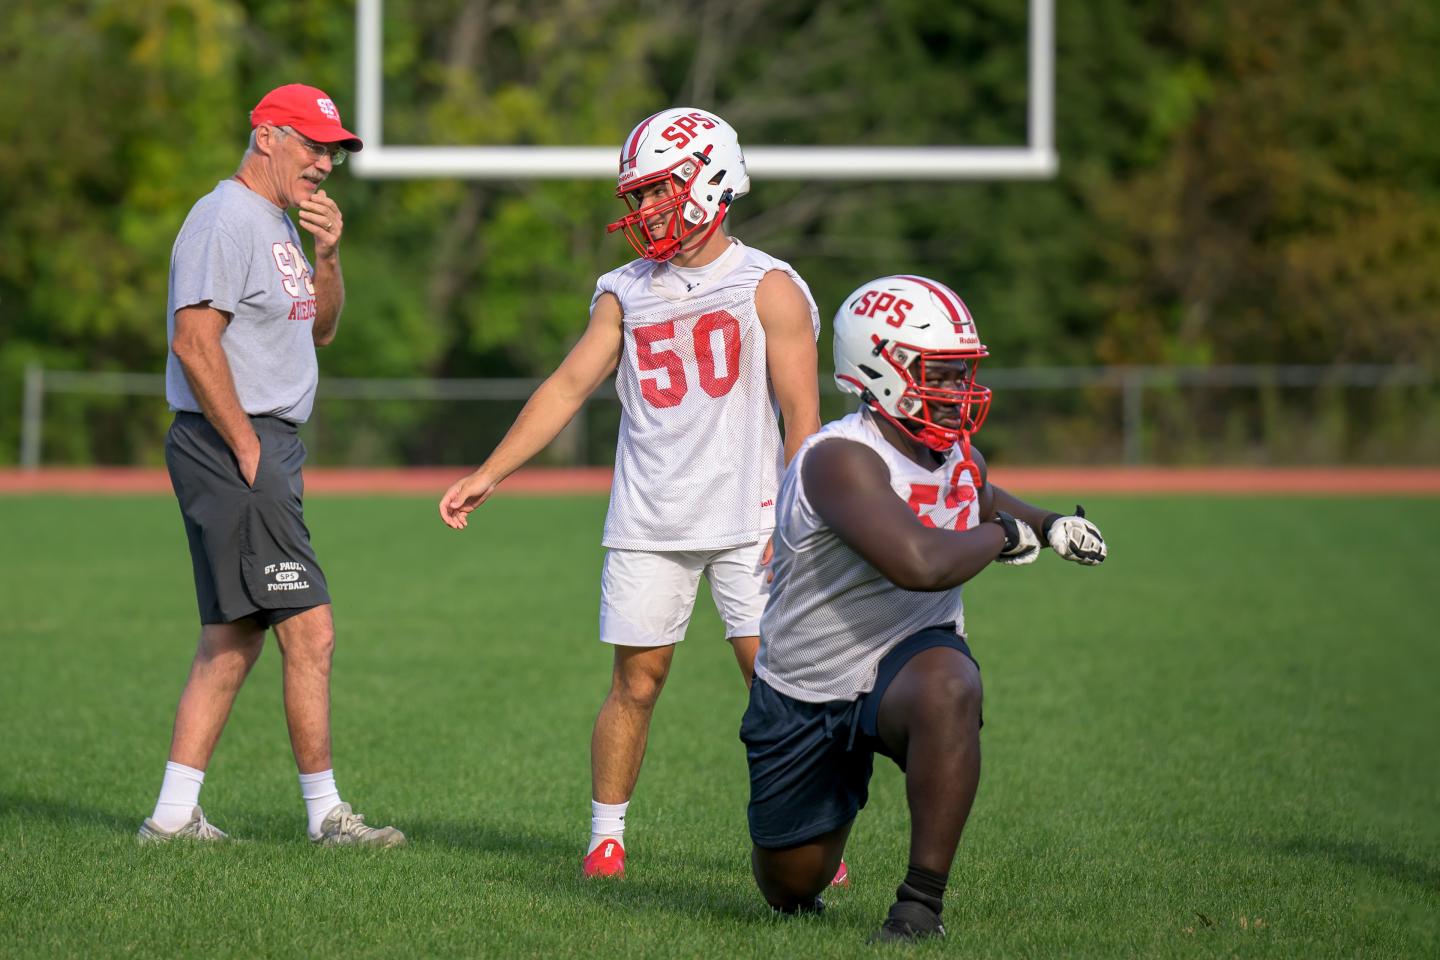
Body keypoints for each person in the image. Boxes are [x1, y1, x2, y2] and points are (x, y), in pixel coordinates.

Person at [439, 107, 821, 878]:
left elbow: (802, 416)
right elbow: (567, 386)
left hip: (749, 517)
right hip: (649, 517)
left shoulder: (768, 285)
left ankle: (810, 836)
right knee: (635, 683)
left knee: (775, 688)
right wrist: (490, 471)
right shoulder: (625, 290)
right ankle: (605, 838)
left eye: (659, 190)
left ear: (712, 179)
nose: (645, 210)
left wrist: (795, 516)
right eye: (638, 195)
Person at [742, 274, 1107, 942]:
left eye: (962, 373)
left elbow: (983, 498)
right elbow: (919, 562)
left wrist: (1049, 524)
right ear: (877, 368)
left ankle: (918, 907)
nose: (958, 390)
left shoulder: (956, 451)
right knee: (791, 884)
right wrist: (1001, 539)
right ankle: (818, 834)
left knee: (951, 686)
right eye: (939, 372)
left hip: (909, 657)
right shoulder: (839, 459)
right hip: (807, 685)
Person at [138, 84, 403, 847]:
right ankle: (327, 817)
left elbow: (320, 330)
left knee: (234, 636)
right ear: (266, 137)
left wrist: (328, 256)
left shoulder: (280, 222)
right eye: (313, 145)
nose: (325, 162)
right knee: (309, 632)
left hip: (263, 444)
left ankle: (172, 816)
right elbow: (193, 342)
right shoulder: (224, 217)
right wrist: (246, 447)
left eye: (333, 151)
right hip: (235, 443)